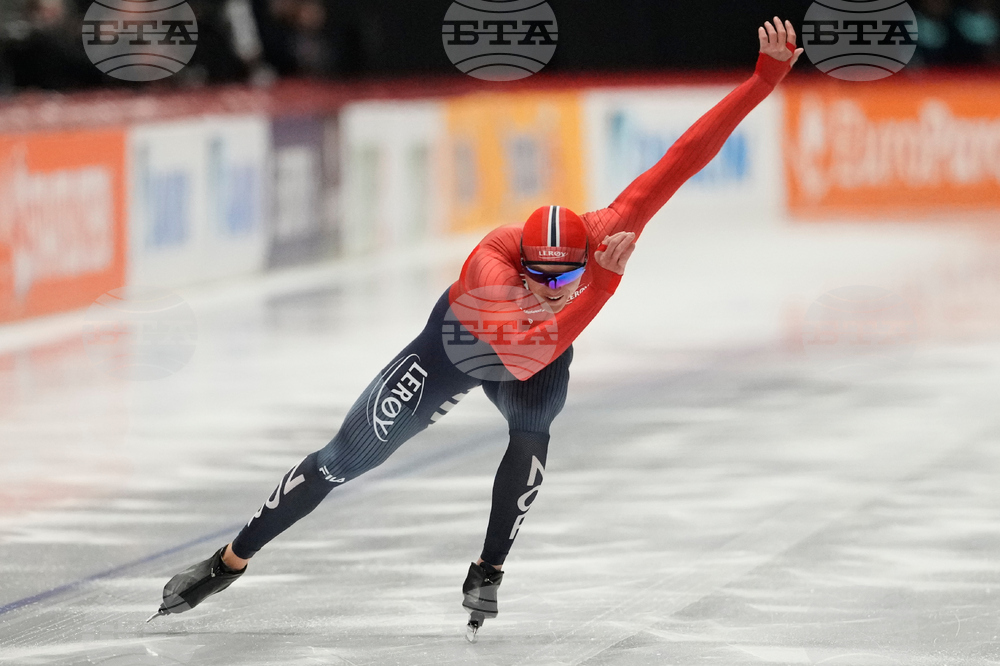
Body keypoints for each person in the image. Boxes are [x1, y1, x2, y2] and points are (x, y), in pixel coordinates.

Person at [150, 18, 804, 642]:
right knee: (340, 462)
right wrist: (599, 285)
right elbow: (523, 351)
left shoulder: (605, 231)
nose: (551, 289)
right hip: (461, 347)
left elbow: (683, 157)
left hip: (535, 352)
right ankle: (227, 561)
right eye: (540, 279)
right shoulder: (492, 265)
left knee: (530, 442)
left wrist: (761, 83)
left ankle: (488, 570)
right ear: (520, 260)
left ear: (582, 250)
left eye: (563, 279)